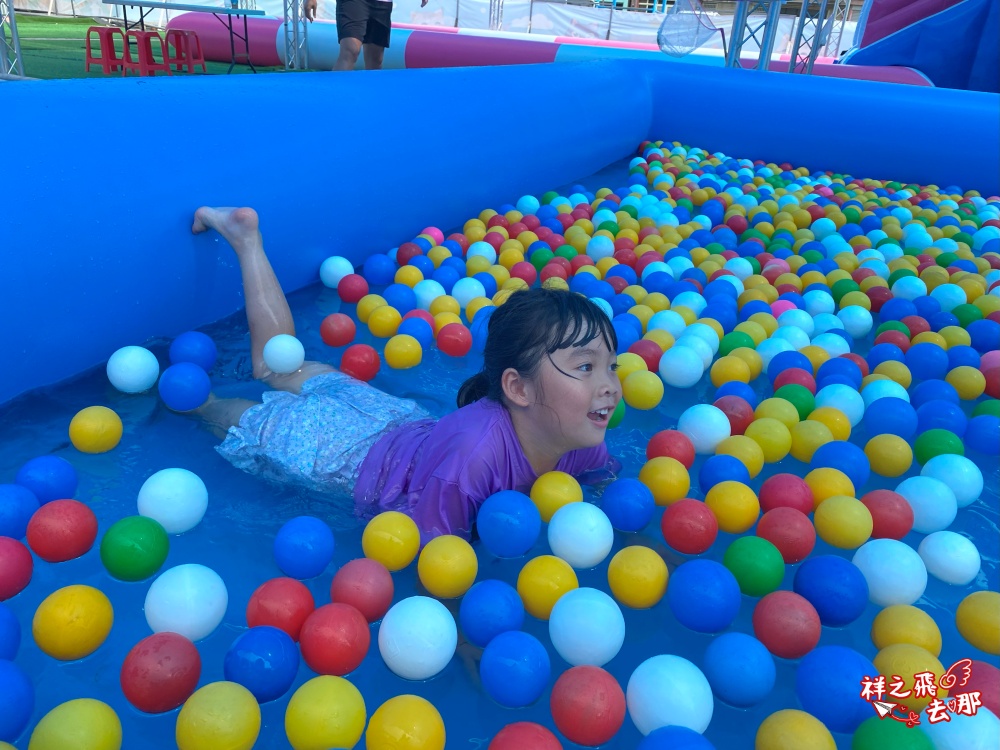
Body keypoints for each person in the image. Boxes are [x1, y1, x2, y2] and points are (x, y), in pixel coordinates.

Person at [191, 206, 621, 542]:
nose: (610, 386)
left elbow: (608, 485)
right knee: (201, 405)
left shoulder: (577, 436)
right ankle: (185, 387)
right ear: (517, 387)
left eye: (611, 367)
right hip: (339, 455)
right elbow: (436, 558)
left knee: (280, 367)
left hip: (390, 419)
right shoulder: (472, 459)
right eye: (586, 367)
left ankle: (246, 237)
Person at [303, 0, 427, 72]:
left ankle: (371, 102)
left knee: (376, 59)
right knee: (350, 50)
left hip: (382, 4)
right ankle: (336, 97)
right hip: (353, 2)